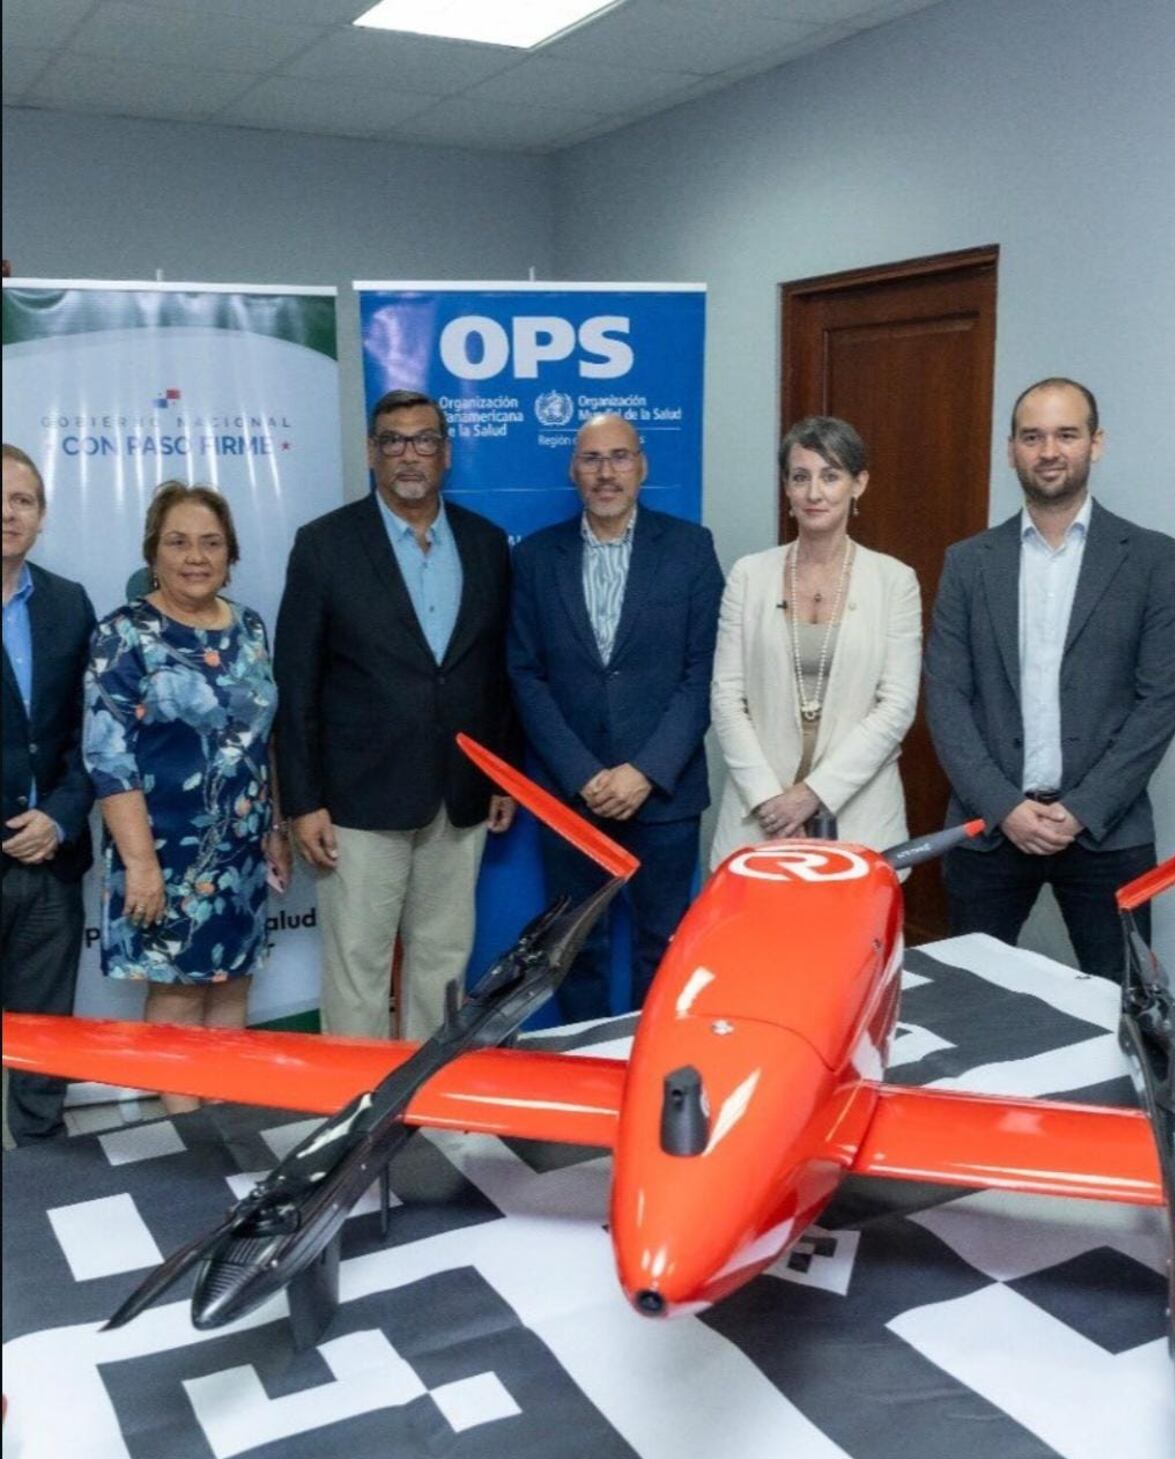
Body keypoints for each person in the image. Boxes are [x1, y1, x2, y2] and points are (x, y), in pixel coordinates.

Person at [924, 377, 1175, 981]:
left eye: (1066, 434)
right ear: (1010, 449)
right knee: (969, 1004)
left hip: (1106, 833)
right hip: (989, 831)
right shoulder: (968, 563)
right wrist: (1005, 807)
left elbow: (1161, 701)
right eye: (1033, 436)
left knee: (1126, 1005)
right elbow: (947, 697)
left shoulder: (1149, 558)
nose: (1049, 451)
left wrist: (1082, 808)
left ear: (1095, 444)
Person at [274, 389, 518, 1042]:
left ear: (447, 452)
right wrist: (302, 801)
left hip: (459, 793)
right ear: (371, 452)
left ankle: (425, 1105)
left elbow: (498, 670)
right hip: (355, 799)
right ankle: (353, 1118)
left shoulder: (487, 544)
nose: (410, 454)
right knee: (358, 964)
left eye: (424, 439)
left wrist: (502, 773)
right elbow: (294, 685)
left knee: (443, 961)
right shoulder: (325, 545)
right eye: (394, 440)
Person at [508, 412, 724, 1022]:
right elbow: (525, 674)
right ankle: (589, 1082)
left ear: (642, 466)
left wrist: (645, 771)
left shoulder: (689, 548)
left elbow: (702, 670)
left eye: (620, 457)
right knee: (578, 950)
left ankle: (653, 1077)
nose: (607, 473)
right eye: (593, 459)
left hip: (664, 795)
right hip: (572, 798)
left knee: (664, 946)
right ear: (573, 469)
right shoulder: (537, 558)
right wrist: (583, 774)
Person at [83, 481, 289, 1112]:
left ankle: (224, 1127)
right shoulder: (124, 634)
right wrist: (141, 866)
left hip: (242, 848)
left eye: (211, 543)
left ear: (230, 555)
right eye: (178, 542)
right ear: (153, 553)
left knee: (231, 986)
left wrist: (275, 824)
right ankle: (186, 1154)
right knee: (176, 1000)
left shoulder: (250, 626)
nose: (195, 556)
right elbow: (107, 757)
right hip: (163, 854)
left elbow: (262, 737)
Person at [710, 417, 921, 865]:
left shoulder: (895, 581)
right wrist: (771, 800)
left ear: (858, 484)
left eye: (831, 476)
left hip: (860, 816)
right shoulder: (749, 576)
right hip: (758, 818)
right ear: (786, 487)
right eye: (800, 477)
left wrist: (812, 794)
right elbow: (727, 697)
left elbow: (897, 705)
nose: (814, 493)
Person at [2, 445, 96, 1145]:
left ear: (40, 517)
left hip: (51, 862)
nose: (7, 513)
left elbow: (92, 735)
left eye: (22, 500)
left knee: (44, 1046)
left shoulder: (68, 603)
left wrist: (60, 816)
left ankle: (45, 1192)